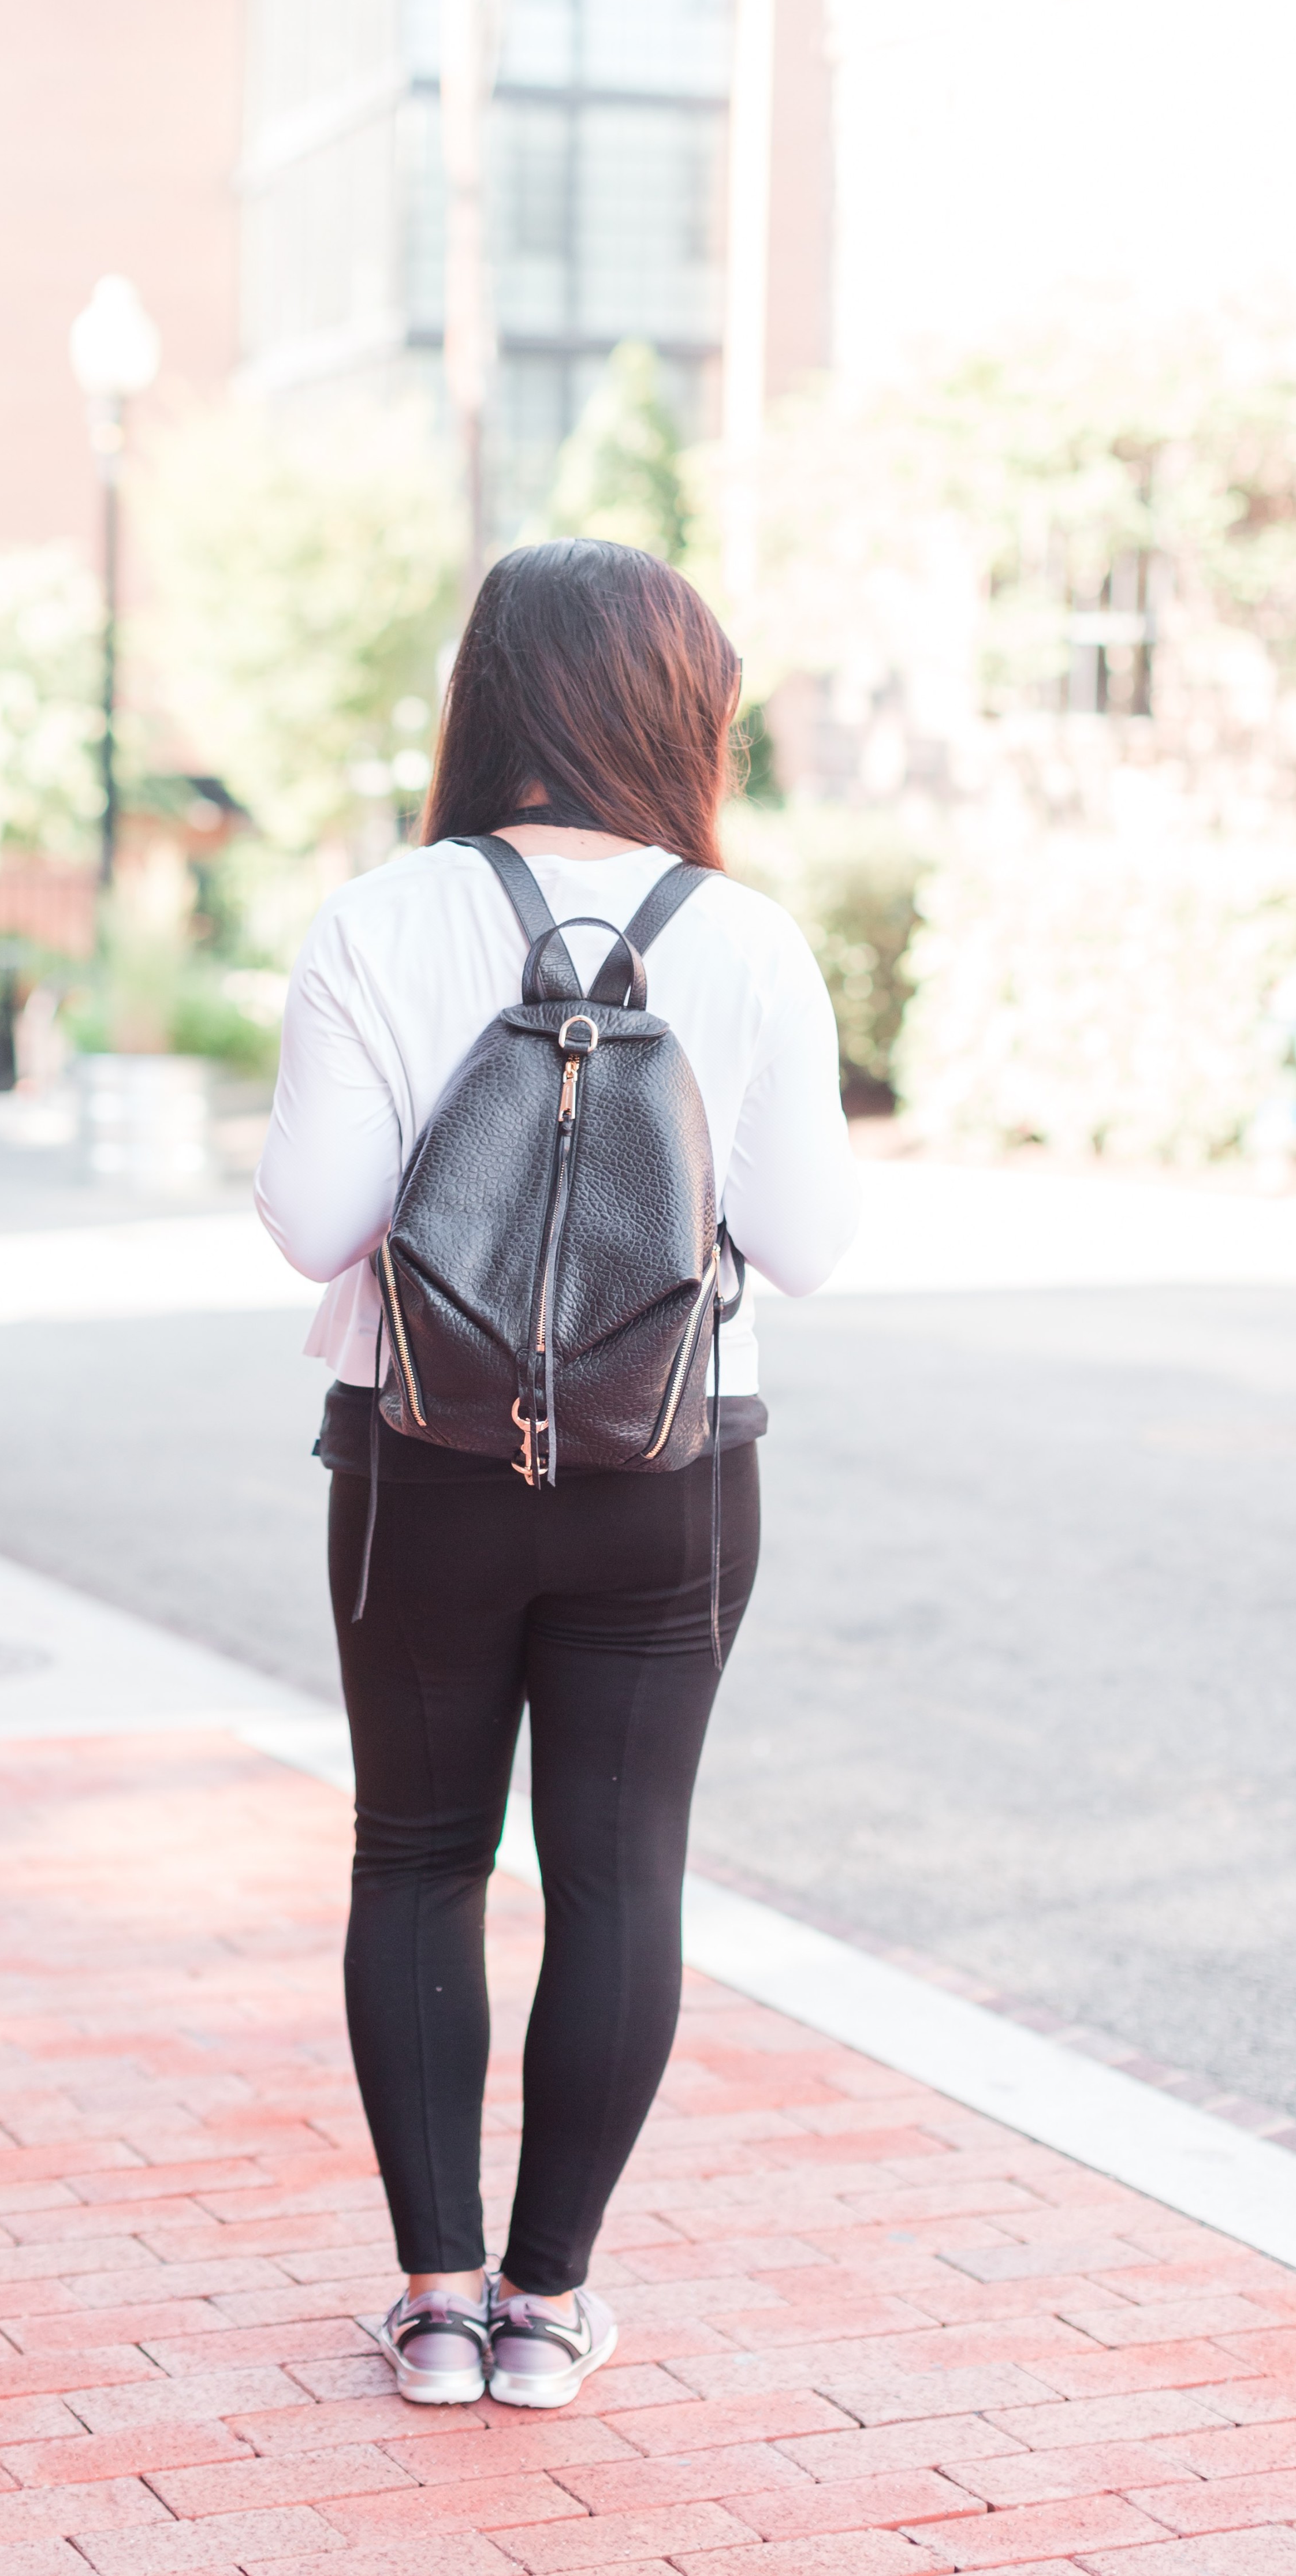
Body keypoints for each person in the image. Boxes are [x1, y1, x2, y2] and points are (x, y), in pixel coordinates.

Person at [255, 538, 858, 2409]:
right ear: (683, 707)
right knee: (619, 1874)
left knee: (419, 1853)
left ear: (484, 695)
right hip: (666, 1464)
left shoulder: (380, 917)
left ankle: (433, 2302)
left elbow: (312, 1223)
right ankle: (544, 2308)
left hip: (417, 1457)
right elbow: (806, 1243)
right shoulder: (743, 938)